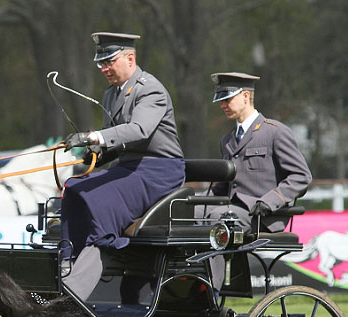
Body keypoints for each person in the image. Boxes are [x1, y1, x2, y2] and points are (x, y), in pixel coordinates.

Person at [59, 32, 185, 302]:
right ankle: (67, 262)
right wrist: (92, 153)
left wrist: (93, 136)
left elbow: (139, 130)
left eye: (109, 61)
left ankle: (77, 291)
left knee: (99, 200)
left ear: (130, 58)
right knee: (74, 188)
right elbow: (114, 143)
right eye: (100, 63)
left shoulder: (150, 89)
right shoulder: (110, 95)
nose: (104, 68)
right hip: (130, 168)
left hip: (159, 171)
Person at [204, 72, 312, 233]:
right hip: (233, 211)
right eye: (221, 101)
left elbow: (301, 176)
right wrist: (194, 201)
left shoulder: (275, 132)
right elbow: (224, 186)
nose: (222, 105)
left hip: (263, 214)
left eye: (227, 99)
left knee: (218, 218)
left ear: (246, 96)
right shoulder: (227, 140)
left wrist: (270, 201)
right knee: (187, 214)